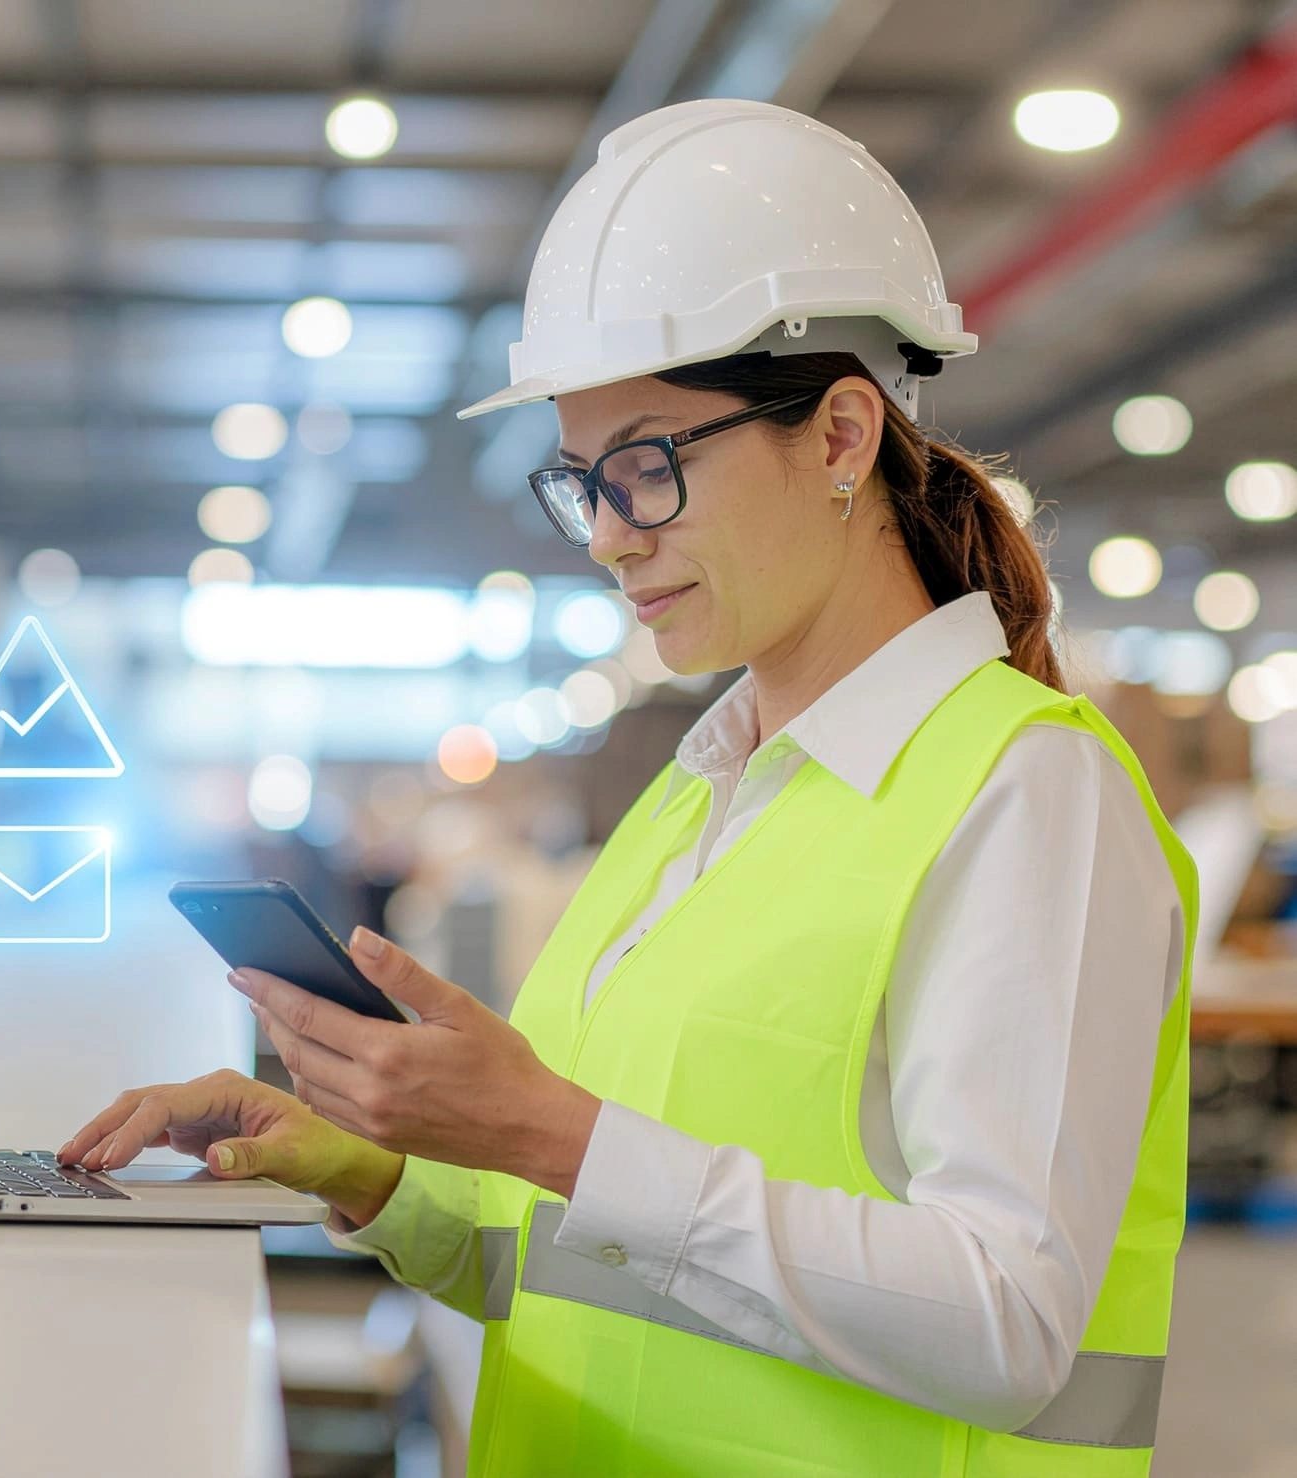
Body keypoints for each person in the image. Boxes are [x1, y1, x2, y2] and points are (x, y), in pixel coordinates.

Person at [62, 99, 1193, 1476]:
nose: (605, 536)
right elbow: (584, 1252)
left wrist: (549, 1126)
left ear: (842, 437)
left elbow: (1012, 1316)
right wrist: (363, 1164)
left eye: (647, 468)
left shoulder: (1028, 793)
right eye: (581, 480)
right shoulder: (698, 794)